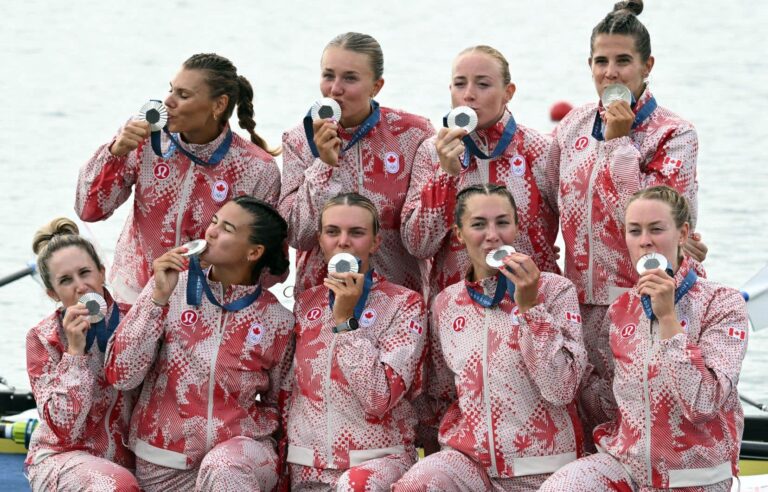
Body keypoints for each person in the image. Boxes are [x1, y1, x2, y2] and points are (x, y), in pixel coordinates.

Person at [547, 0, 705, 432]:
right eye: (601, 61)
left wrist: (619, 145)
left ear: (646, 65)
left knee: (646, 421)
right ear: (590, 64)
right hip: (582, 303)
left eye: (623, 61)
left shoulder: (674, 134)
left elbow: (651, 222)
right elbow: (541, 201)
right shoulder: (572, 126)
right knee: (589, 419)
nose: (611, 73)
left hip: (650, 300)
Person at [540, 185, 747, 491]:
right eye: (634, 231)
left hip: (692, 477)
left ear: (684, 233)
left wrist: (667, 320)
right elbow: (610, 401)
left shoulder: (723, 303)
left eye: (656, 229)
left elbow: (703, 403)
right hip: (627, 468)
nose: (645, 241)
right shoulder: (621, 310)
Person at [394, 184, 587, 492]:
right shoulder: (445, 303)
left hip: (544, 466)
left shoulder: (555, 290)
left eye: (502, 222)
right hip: (471, 463)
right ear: (459, 234)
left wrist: (530, 307)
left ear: (517, 227)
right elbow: (441, 392)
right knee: (418, 483)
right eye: (478, 224)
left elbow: (561, 389)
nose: (492, 235)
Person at [105, 196, 294, 491]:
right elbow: (122, 375)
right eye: (214, 221)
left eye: (227, 228)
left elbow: (282, 404)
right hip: (164, 457)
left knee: (225, 470)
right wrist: (157, 298)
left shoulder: (278, 321)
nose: (211, 231)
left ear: (254, 251)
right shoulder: (172, 288)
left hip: (240, 457)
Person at [76, 53, 282, 305]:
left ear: (218, 105)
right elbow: (89, 210)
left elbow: (269, 269)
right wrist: (114, 154)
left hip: (202, 309)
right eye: (171, 90)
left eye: (183, 95)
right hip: (132, 296)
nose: (167, 102)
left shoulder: (256, 168)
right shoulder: (145, 139)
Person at [285, 193, 427, 491]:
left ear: (375, 242)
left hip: (375, 464)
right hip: (307, 468)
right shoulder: (304, 304)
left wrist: (346, 322)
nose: (343, 241)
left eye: (357, 233)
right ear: (320, 240)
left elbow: (379, 399)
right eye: (332, 232)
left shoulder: (405, 303)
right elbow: (284, 391)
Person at [278, 32, 435, 298]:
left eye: (350, 78)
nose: (334, 89)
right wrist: (324, 167)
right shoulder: (298, 140)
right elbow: (297, 235)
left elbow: (422, 238)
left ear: (377, 86)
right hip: (320, 301)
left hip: (399, 301)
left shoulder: (413, 134)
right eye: (328, 75)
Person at [401, 45, 559, 304]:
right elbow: (418, 245)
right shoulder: (432, 152)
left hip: (530, 300)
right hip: (456, 308)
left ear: (508, 92)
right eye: (460, 84)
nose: (469, 95)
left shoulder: (540, 149)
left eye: (483, 85)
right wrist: (447, 174)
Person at [25, 218, 139, 491]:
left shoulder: (136, 320)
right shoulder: (42, 338)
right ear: (53, 293)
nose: (80, 286)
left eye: (85, 273)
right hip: (62, 456)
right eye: (66, 280)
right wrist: (75, 352)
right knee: (114, 484)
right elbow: (64, 429)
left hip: (132, 457)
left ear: (102, 273)